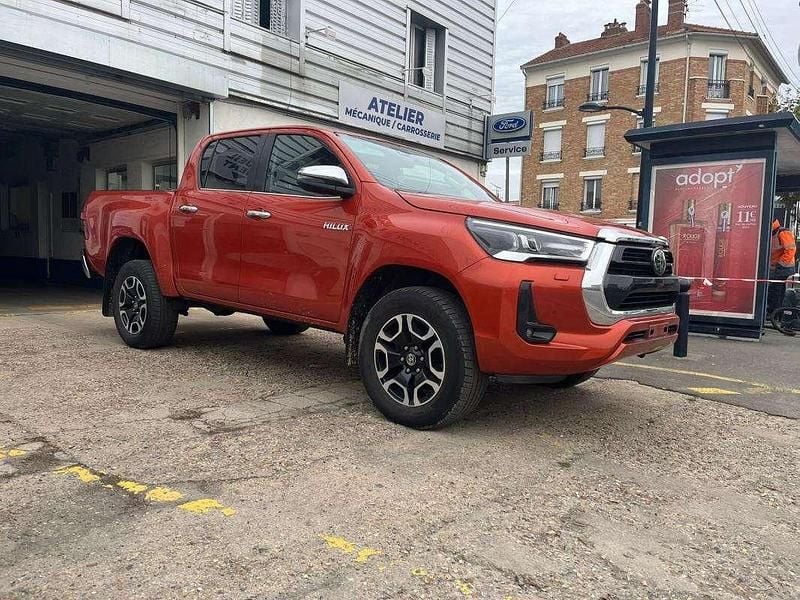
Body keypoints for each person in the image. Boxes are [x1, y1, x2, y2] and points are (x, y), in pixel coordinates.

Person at [767, 219, 797, 314]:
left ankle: (775, 313)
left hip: (783, 268)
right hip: (777, 267)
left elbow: (791, 250)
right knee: (775, 290)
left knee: (776, 290)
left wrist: (780, 264)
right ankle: (775, 312)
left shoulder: (783, 233)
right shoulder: (773, 233)